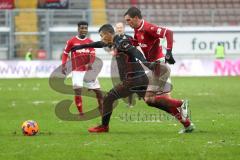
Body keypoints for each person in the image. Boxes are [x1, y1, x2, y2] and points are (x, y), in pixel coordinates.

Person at [71, 24, 194, 134]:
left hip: (132, 80)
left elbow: (134, 51)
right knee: (154, 102)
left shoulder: (121, 43)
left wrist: (146, 62)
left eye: (103, 36)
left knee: (109, 98)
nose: (102, 39)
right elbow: (99, 44)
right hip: (141, 78)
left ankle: (104, 126)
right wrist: (81, 46)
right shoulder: (116, 41)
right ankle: (187, 123)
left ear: (109, 34)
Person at [61, 21, 103, 116]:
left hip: (88, 71)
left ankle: (101, 108)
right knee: (78, 91)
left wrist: (90, 63)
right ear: (78, 29)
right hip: (76, 71)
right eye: (82, 28)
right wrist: (63, 65)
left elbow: (92, 54)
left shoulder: (90, 42)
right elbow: (65, 53)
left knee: (98, 91)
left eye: (85, 28)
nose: (84, 30)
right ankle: (81, 112)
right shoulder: (71, 41)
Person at [114, 22, 134, 108]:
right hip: (120, 63)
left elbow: (133, 50)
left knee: (129, 81)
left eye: (121, 27)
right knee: (123, 81)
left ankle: (130, 102)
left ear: (124, 28)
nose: (119, 29)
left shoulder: (129, 38)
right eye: (118, 27)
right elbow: (112, 49)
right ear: (116, 29)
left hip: (129, 63)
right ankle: (129, 101)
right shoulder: (114, 39)